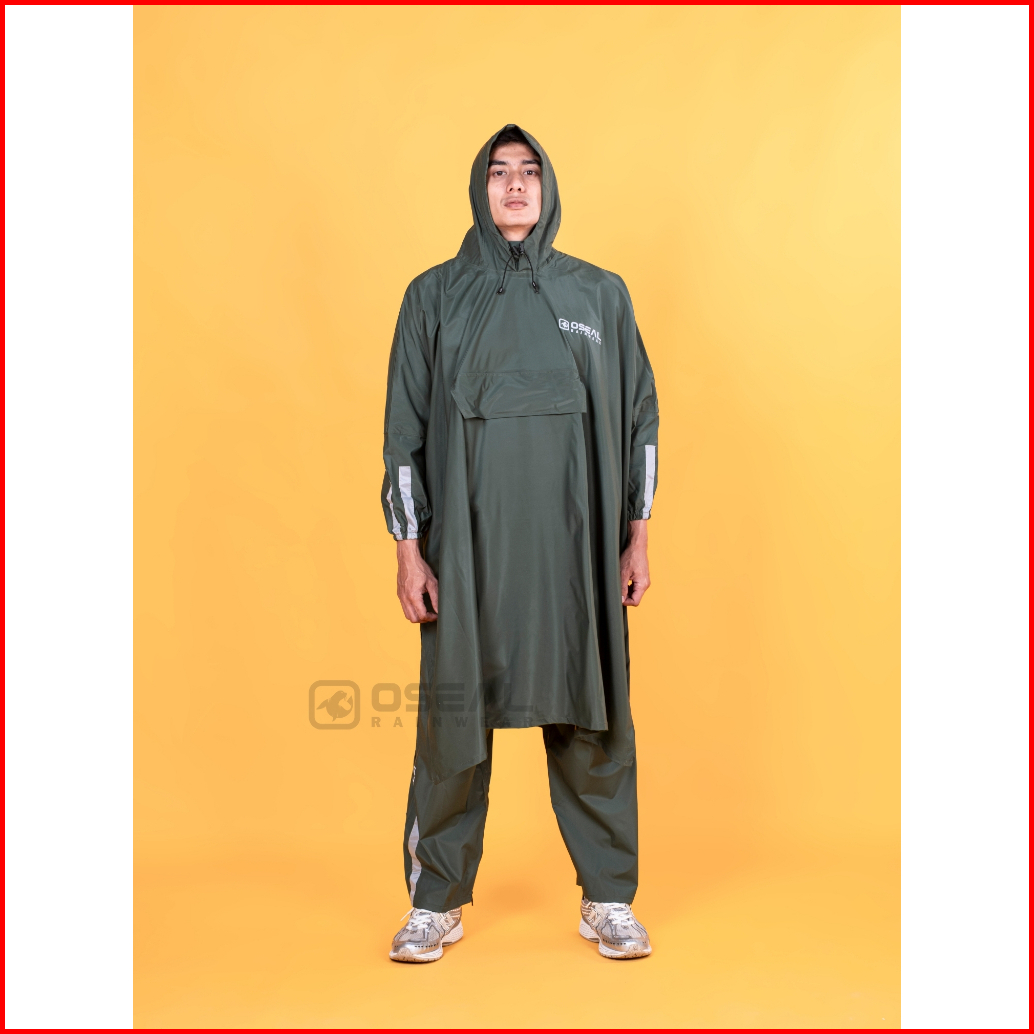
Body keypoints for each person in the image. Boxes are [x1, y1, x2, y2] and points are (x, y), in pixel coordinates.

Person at [380, 124, 659, 963]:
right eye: (499, 172)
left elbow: (640, 420)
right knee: (454, 724)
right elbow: (403, 433)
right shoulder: (433, 297)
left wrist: (637, 535)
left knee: (592, 716)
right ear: (480, 187)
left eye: (528, 172)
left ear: (547, 186)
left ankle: (608, 897)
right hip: (468, 558)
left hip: (577, 555)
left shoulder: (599, 296)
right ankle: (436, 901)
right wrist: (409, 549)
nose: (513, 186)